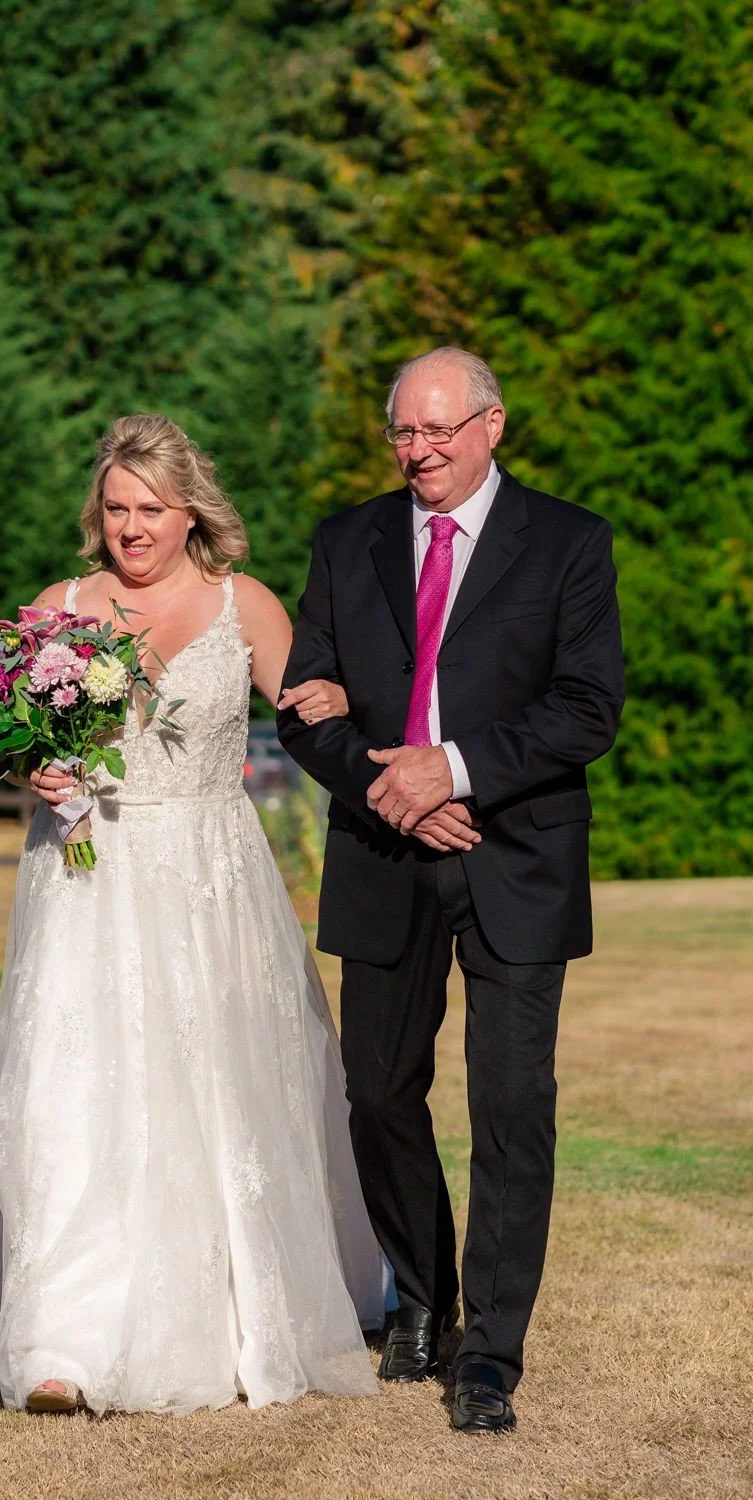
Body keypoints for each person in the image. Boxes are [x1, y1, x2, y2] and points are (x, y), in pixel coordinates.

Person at [0, 413, 384, 1415]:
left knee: (217, 1082)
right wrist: (31, 766)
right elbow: (15, 736)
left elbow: (309, 717)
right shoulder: (59, 606)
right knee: (70, 1090)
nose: (132, 528)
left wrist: (361, 733)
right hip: (83, 876)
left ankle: (238, 1302)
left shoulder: (240, 604)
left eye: (151, 510)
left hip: (210, 879)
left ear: (189, 511)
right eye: (116, 508)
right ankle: (61, 1341)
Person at [278, 347, 624, 1433]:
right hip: (384, 854)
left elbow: (584, 708)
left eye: (438, 431)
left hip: (514, 854)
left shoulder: (566, 542)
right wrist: (393, 790)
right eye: (403, 434)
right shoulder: (349, 541)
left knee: (511, 1105)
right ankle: (420, 1294)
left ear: (491, 427)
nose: (418, 452)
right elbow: (303, 705)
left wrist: (455, 766)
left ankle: (488, 1355)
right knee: (376, 1092)